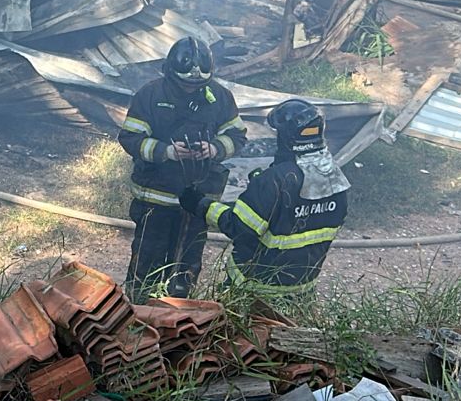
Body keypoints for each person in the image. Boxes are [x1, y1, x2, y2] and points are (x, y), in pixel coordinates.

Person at [118, 36, 246, 299]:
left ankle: (179, 310)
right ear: (170, 72)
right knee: (147, 255)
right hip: (156, 194)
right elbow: (130, 137)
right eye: (185, 82)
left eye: (198, 83)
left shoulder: (220, 97)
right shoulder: (150, 95)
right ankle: (138, 306)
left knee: (188, 259)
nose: (191, 87)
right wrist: (166, 152)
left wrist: (214, 149)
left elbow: (237, 135)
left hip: (199, 198)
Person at [182, 99, 349, 298]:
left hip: (254, 289)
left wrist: (201, 205)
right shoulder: (336, 178)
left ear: (285, 137)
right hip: (302, 289)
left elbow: (239, 227)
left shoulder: (273, 181)